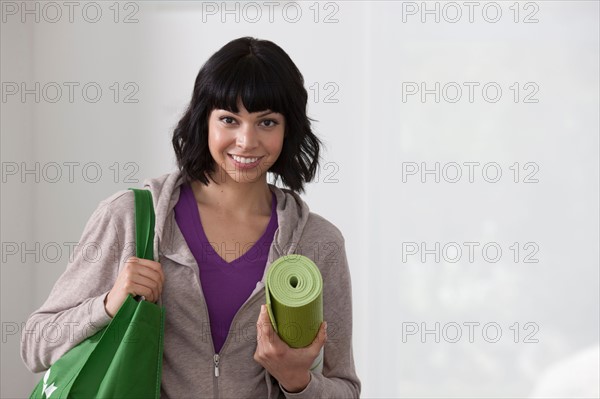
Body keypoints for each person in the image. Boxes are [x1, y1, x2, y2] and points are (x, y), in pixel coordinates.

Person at [21, 36, 361, 398]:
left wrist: (298, 381)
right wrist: (108, 304)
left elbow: (345, 388)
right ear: (205, 121)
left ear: (288, 128)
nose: (246, 141)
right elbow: (36, 344)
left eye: (267, 122)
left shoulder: (319, 243)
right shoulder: (131, 218)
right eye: (229, 119)